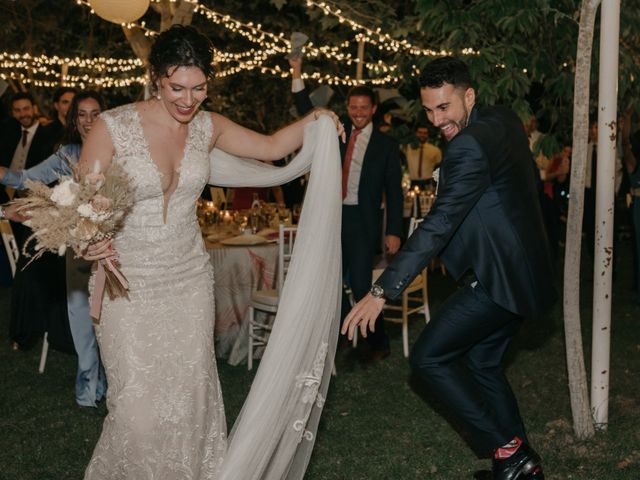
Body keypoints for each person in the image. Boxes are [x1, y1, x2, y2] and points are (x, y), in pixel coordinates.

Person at [79, 25, 343, 479]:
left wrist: (316, 120)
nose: (188, 99)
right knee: (136, 415)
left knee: (190, 400)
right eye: (177, 87)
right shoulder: (112, 126)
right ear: (155, 78)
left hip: (189, 282)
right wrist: (90, 238)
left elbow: (273, 147)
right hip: (127, 285)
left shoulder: (209, 126)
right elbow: (79, 207)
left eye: (199, 88)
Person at [343, 57, 556, 479]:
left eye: (445, 108)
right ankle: (519, 465)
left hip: (499, 279)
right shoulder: (502, 119)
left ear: (468, 96)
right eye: (429, 109)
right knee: (482, 363)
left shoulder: (468, 146)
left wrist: (381, 291)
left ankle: (508, 451)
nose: (437, 119)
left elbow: (438, 226)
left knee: (428, 358)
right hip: (525, 270)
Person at [289, 55, 404, 361]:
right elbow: (307, 112)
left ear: (373, 109)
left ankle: (378, 341)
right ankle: (342, 333)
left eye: (364, 108)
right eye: (353, 107)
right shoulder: (336, 132)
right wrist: (297, 72)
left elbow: (394, 193)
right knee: (329, 279)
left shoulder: (386, 146)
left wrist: (394, 231)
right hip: (332, 218)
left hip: (362, 221)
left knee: (362, 283)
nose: (358, 113)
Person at [0, 90, 107, 407]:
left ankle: (118, 388)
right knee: (81, 319)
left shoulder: (119, 153)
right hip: (78, 247)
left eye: (95, 113)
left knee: (114, 324)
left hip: (114, 248)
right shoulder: (67, 154)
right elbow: (25, 179)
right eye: (82, 114)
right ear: (74, 119)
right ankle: (88, 390)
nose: (89, 121)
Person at [0, 91, 67, 350]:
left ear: (35, 107)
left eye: (26, 109)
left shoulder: (51, 135)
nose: (23, 114)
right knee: (28, 263)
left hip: (40, 208)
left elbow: (42, 175)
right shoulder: (8, 132)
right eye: (17, 110)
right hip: (15, 205)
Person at [404, 124, 442, 189]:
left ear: (428, 135)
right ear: (416, 133)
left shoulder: (435, 150)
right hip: (413, 183)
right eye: (420, 132)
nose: (422, 135)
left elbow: (439, 168)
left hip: (428, 184)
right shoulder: (408, 148)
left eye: (425, 133)